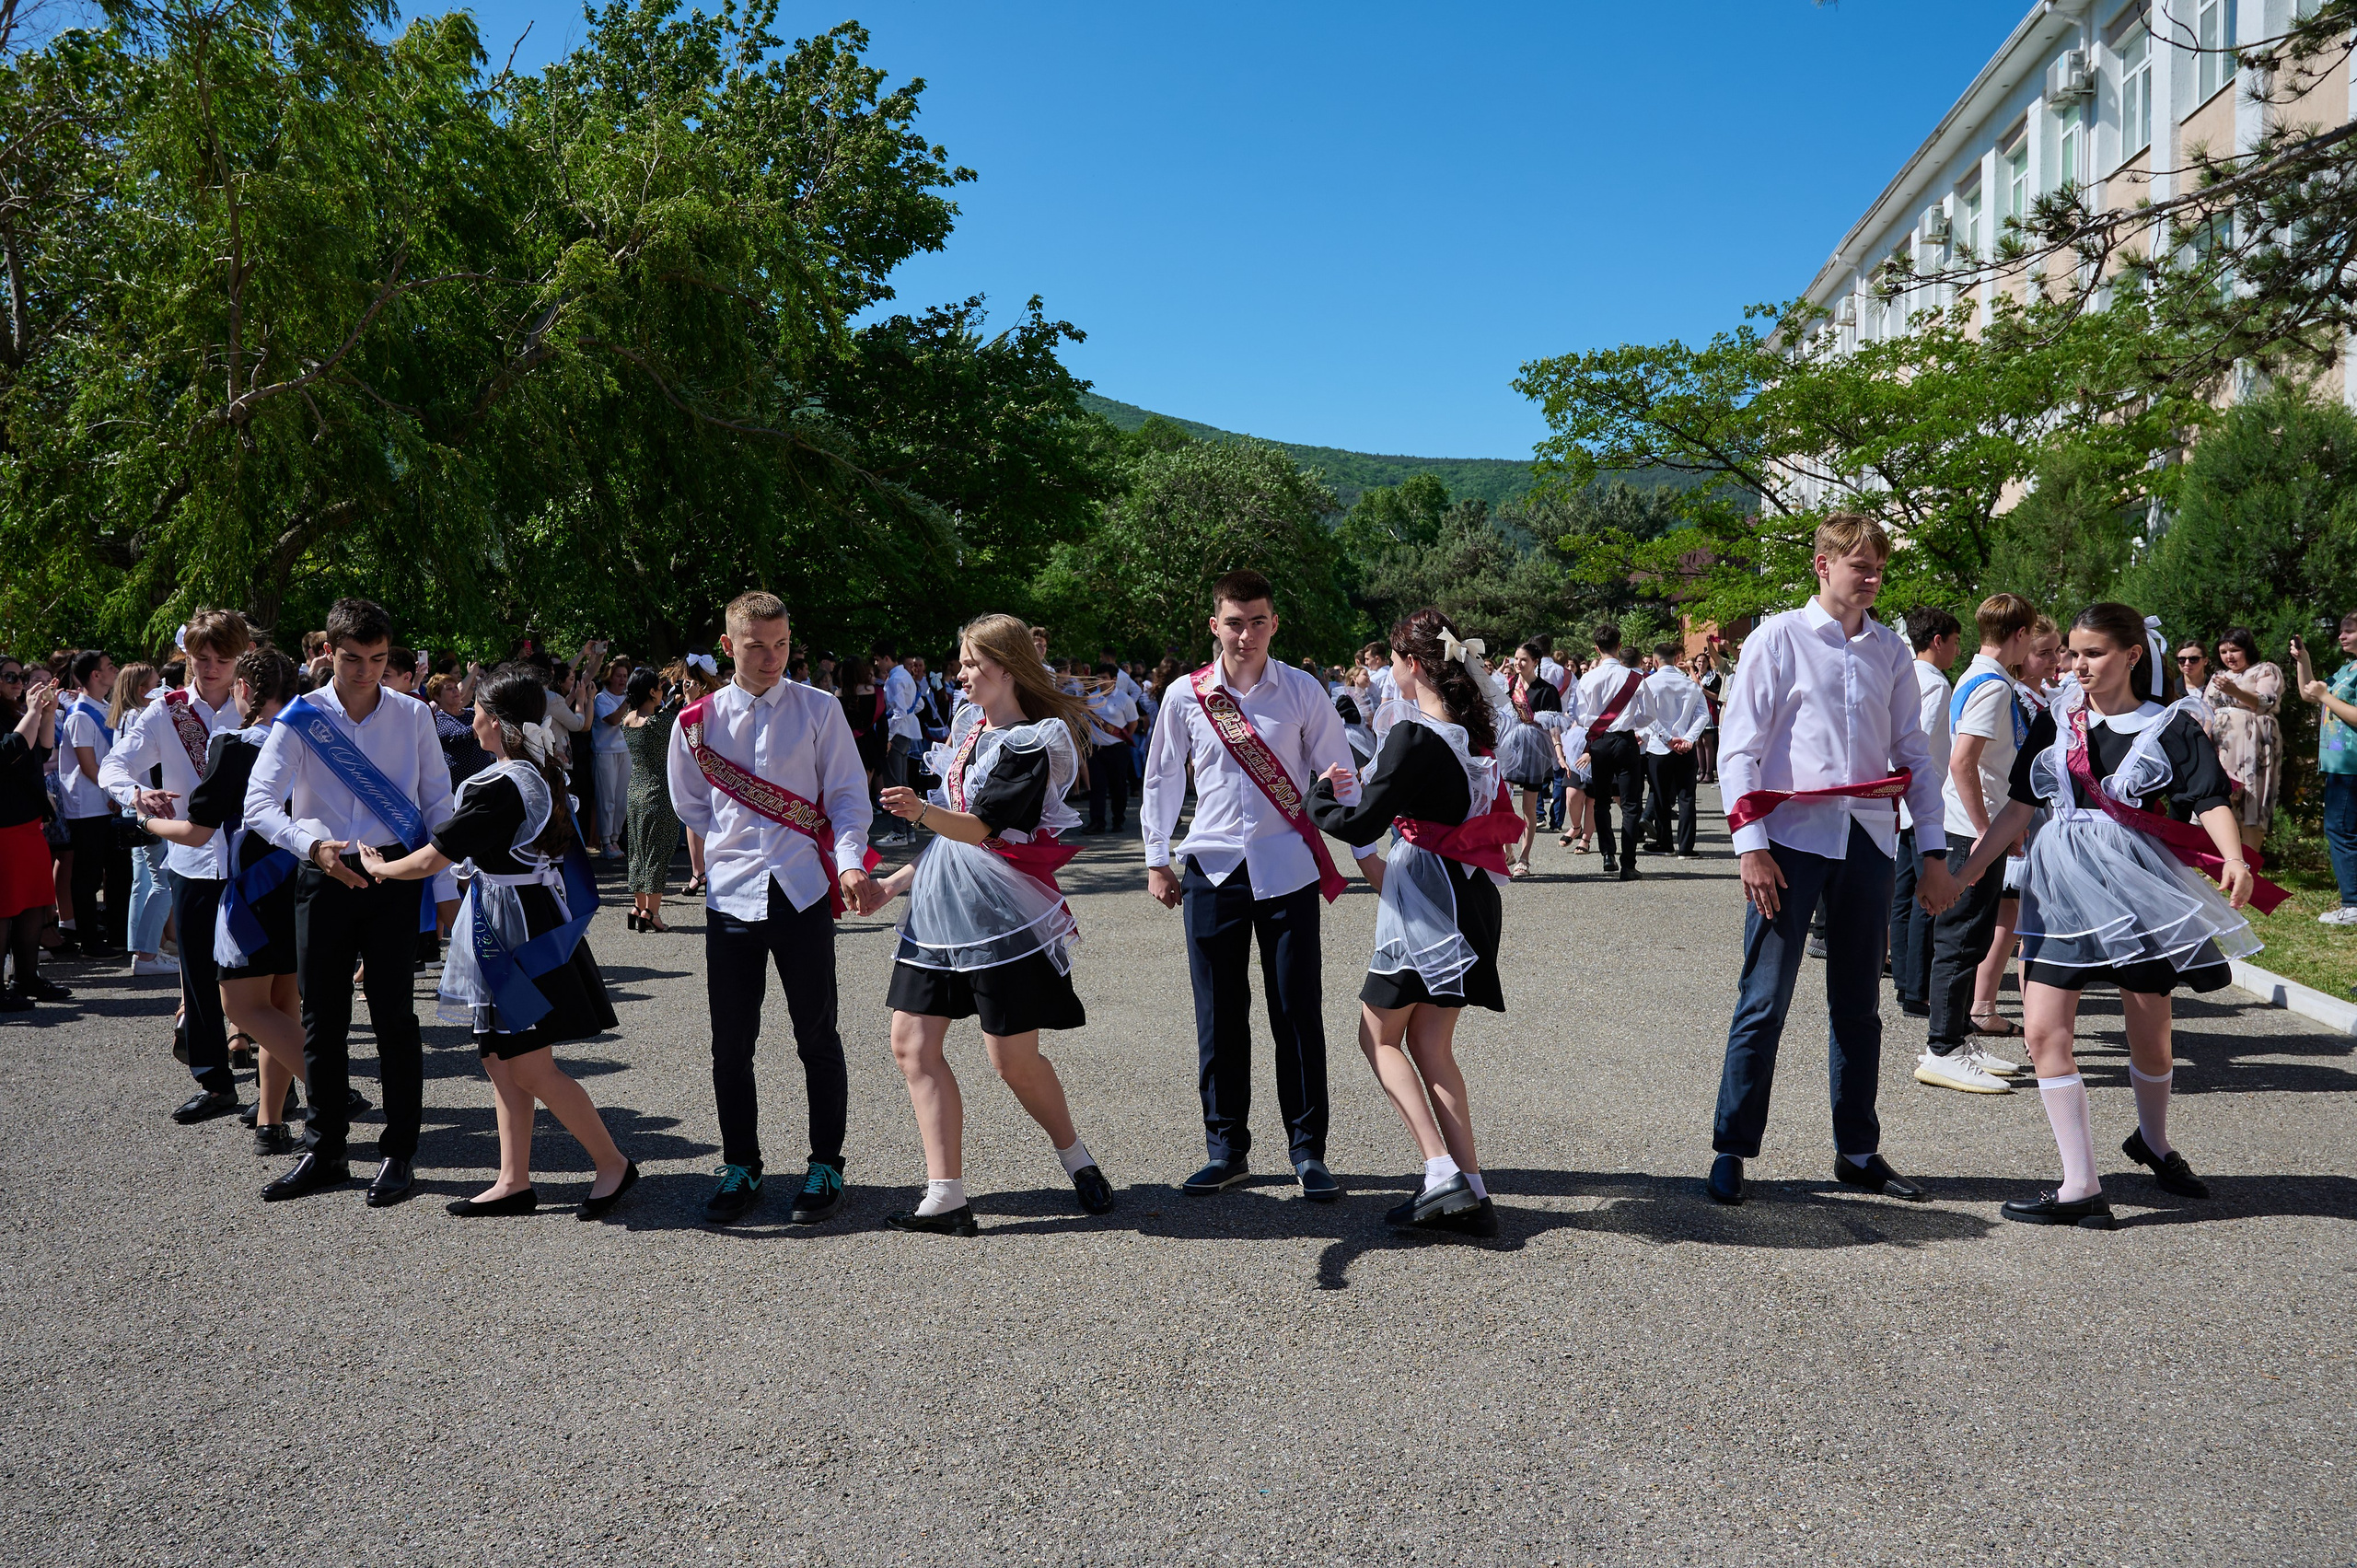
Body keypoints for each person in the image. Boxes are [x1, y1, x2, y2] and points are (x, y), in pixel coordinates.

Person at [1952, 602, 2270, 1229]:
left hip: (2136, 887)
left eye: (2093, 653)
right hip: (2059, 889)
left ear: (2131, 655)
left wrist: (2234, 858)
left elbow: (2208, 799)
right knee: (2044, 1032)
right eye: (2073, 652)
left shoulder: (2170, 724)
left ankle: (2153, 1140)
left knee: (2151, 1034)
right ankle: (2081, 1184)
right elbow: (2018, 808)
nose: (2078, 664)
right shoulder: (2056, 719)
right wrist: (1965, 874)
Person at [1705, 514, 1957, 1206]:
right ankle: (1732, 1147)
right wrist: (1750, 846)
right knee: (1764, 1000)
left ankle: (1857, 1149)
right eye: (1860, 566)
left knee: (1858, 1005)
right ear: (1823, 565)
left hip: (1867, 840)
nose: (1872, 578)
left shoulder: (1891, 650)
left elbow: (1914, 757)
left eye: (1879, 568)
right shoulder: (1778, 638)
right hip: (1789, 842)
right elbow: (1739, 749)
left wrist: (1932, 851)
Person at [870, 612, 1114, 1235]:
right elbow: (954, 838)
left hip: (1001, 911)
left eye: (971, 663)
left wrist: (919, 812)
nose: (961, 674)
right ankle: (946, 1195)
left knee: (1012, 1060)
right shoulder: (970, 728)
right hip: (940, 906)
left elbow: (981, 829)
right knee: (911, 1043)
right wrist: (895, 883)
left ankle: (1076, 1156)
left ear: (1006, 668)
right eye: (961, 662)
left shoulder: (1032, 743)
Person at [361, 666, 634, 1220]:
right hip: (513, 913)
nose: (472, 720)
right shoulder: (533, 771)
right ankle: (513, 1180)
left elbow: (435, 857)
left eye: (479, 711)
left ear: (498, 721)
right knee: (498, 1057)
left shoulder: (502, 785)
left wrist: (381, 869)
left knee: (528, 1063)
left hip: (513, 925)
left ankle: (613, 1163)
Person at [1142, 568, 1357, 1202]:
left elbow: (1340, 772)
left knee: (1296, 1012)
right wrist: (1156, 858)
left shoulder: (1302, 690)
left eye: (1258, 621)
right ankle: (1226, 1149)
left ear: (1274, 624)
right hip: (1212, 871)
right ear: (1216, 625)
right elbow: (1162, 777)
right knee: (1219, 1015)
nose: (1246, 634)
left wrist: (1365, 849)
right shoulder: (1186, 695)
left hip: (1287, 869)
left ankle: (1308, 1150)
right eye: (1234, 623)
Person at [669, 591, 881, 1226]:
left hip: (801, 890)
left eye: (782, 643)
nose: (772, 657)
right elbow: (691, 804)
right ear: (728, 646)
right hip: (732, 895)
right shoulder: (697, 723)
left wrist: (850, 859)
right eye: (757, 645)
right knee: (731, 1043)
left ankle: (826, 1163)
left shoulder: (819, 709)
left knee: (816, 1035)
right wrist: (730, 851)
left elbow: (848, 796)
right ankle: (741, 1164)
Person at [1310, 609, 1521, 1238]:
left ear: (1410, 664)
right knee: (1431, 1044)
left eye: (1394, 660)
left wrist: (1318, 796)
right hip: (1469, 893)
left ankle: (1440, 1171)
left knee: (1377, 1035)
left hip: (1430, 900)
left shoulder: (1413, 734)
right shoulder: (1468, 731)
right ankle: (1473, 1191)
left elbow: (1361, 822)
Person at [245, 598, 459, 1207]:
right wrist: (310, 846)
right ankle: (326, 1149)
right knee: (322, 1019)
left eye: (378, 658)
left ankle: (399, 1151)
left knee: (394, 1018)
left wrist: (446, 889)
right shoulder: (302, 716)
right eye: (353, 658)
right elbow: (258, 803)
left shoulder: (413, 715)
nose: (366, 671)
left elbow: (438, 804)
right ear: (327, 653)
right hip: (324, 873)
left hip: (394, 875)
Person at [138, 648, 356, 1155]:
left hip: (256, 890)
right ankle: (270, 1121)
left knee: (241, 1004)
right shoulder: (315, 737)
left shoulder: (235, 745)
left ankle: (332, 1090)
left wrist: (144, 822)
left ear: (243, 689)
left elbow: (197, 832)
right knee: (282, 1005)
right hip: (306, 880)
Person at [101, 609, 254, 1121]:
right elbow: (113, 765)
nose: (210, 668)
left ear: (241, 658)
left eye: (222, 659)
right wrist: (137, 794)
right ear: (187, 656)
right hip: (192, 859)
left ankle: (279, 1087)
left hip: (254, 860)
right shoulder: (165, 712)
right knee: (198, 974)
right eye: (201, 658)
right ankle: (215, 1083)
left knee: (261, 975)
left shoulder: (258, 707)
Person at [1886, 610, 1959, 1023]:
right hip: (1921, 801)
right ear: (1937, 641)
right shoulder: (1934, 683)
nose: (1957, 651)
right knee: (1923, 897)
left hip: (1900, 799)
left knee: (1903, 894)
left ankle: (1904, 979)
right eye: (1955, 641)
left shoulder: (1904, 674)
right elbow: (1921, 744)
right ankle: (1916, 987)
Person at [1574, 622, 1674, 880]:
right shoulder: (1634, 678)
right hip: (1626, 741)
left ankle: (1607, 854)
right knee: (1631, 805)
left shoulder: (1588, 678)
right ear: (1619, 646)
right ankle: (1628, 864)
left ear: (1596, 649)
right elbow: (1649, 714)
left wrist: (1600, 724)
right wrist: (1630, 722)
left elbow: (1581, 716)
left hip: (1599, 742)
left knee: (1601, 801)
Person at [58, 649, 131, 958]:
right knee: (88, 876)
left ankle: (118, 934)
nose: (115, 670)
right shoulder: (80, 715)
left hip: (106, 803)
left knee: (118, 871)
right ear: (95, 675)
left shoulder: (104, 708)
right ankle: (89, 941)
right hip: (88, 806)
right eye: (109, 667)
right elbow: (89, 767)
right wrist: (115, 794)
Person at [1, 665, 64, 1010]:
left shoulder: (16, 713)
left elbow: (41, 752)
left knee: (33, 904)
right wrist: (34, 711)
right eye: (9, 677)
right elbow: (10, 750)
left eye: (20, 677)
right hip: (5, 826)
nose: (19, 684)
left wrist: (46, 713)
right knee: (5, 907)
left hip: (27, 824)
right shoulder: (15, 716)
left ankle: (26, 977)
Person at [2294, 614, 2357, 925]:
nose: (2341, 636)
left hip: (2351, 764)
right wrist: (2303, 660)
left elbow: (2324, 697)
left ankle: (2353, 904)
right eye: (2341, 631)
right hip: (2339, 763)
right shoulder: (2349, 669)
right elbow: (2309, 693)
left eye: (2350, 631)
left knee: (2341, 829)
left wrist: (2326, 696)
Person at [2206, 626, 2282, 854]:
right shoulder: (2219, 676)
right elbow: (2205, 709)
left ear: (2247, 649)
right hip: (2221, 745)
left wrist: (2235, 691)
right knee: (2223, 796)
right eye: (2223, 652)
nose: (2229, 656)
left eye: (2234, 650)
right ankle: (2225, 859)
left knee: (2253, 801)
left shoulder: (2265, 670)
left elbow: (2266, 702)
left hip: (2254, 744)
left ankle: (2250, 861)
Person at [621, 666, 683, 933]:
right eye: (659, 688)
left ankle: (638, 907)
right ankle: (652, 913)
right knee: (658, 852)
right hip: (658, 794)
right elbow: (679, 724)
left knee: (637, 852)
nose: (662, 691)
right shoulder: (660, 723)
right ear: (651, 691)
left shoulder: (627, 720)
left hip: (635, 791)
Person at [1639, 641, 1710, 858]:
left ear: (1655, 660)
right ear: (1677, 659)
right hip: (1685, 747)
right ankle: (1686, 847)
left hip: (1659, 747)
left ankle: (1665, 843)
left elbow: (1647, 716)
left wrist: (1667, 738)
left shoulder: (1648, 683)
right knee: (1686, 797)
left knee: (1660, 796)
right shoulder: (1691, 684)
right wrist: (1688, 738)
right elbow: (1703, 715)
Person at [1498, 645, 1557, 877]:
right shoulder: (1510, 685)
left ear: (1535, 662)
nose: (1518, 663)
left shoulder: (1546, 690)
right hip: (1511, 747)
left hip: (1534, 750)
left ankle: (1524, 857)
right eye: (1516, 658)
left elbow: (1554, 724)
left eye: (1523, 659)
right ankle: (1508, 850)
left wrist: (1559, 753)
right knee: (1503, 802)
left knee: (1528, 807)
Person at [1084, 661, 1139, 835]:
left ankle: (1118, 820)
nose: (1100, 681)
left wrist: (1118, 738)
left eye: (1104, 678)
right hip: (1096, 749)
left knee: (1118, 787)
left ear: (1114, 679)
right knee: (1097, 787)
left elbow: (1133, 723)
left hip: (1117, 749)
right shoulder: (1091, 699)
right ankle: (1097, 822)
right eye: (1098, 678)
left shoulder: (1124, 699)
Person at [590, 655, 633, 857]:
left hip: (625, 752)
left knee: (622, 800)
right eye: (619, 676)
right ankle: (605, 841)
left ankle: (615, 839)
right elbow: (614, 720)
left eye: (625, 676)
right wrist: (627, 701)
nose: (623, 680)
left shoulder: (627, 697)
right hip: (605, 752)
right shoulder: (602, 698)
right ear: (610, 677)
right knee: (607, 799)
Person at [426, 667, 493, 787]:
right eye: (449, 689)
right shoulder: (439, 720)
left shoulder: (470, 713)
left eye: (456, 687)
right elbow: (461, 736)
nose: (455, 691)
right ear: (437, 697)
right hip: (463, 785)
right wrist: (484, 718)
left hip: (486, 779)